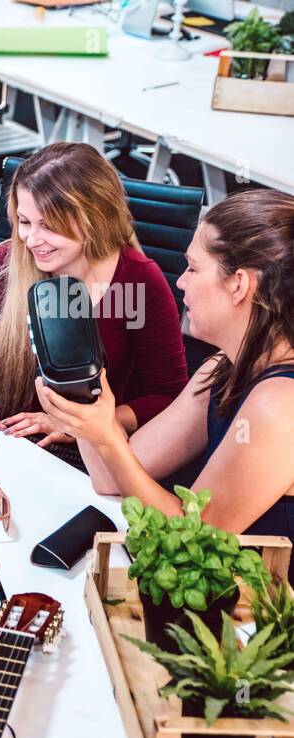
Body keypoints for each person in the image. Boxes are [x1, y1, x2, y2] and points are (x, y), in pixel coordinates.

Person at [0, 142, 188, 447]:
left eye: (49, 226)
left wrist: (78, 424)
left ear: (95, 219)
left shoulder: (138, 282)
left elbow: (168, 398)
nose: (31, 240)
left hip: (92, 453)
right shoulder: (9, 262)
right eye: (25, 222)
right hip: (4, 439)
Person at [38, 188, 294, 537]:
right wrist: (84, 400)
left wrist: (107, 439)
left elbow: (195, 538)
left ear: (238, 285)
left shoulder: (279, 404)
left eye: (192, 268)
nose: (181, 282)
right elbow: (111, 479)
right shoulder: (221, 368)